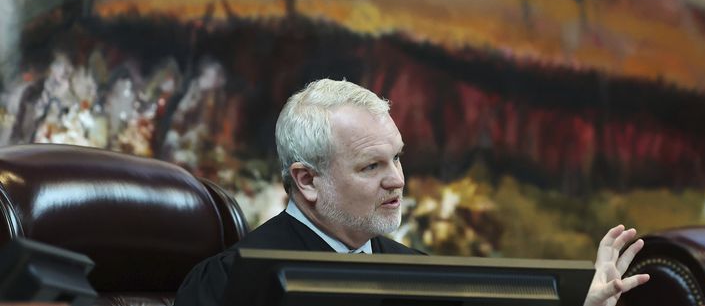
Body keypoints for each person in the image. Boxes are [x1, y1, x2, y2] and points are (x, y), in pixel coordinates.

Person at [174, 79, 649, 306]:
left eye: (397, 158)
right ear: (307, 181)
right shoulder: (231, 282)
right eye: (372, 165)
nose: (398, 180)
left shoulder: (420, 273)